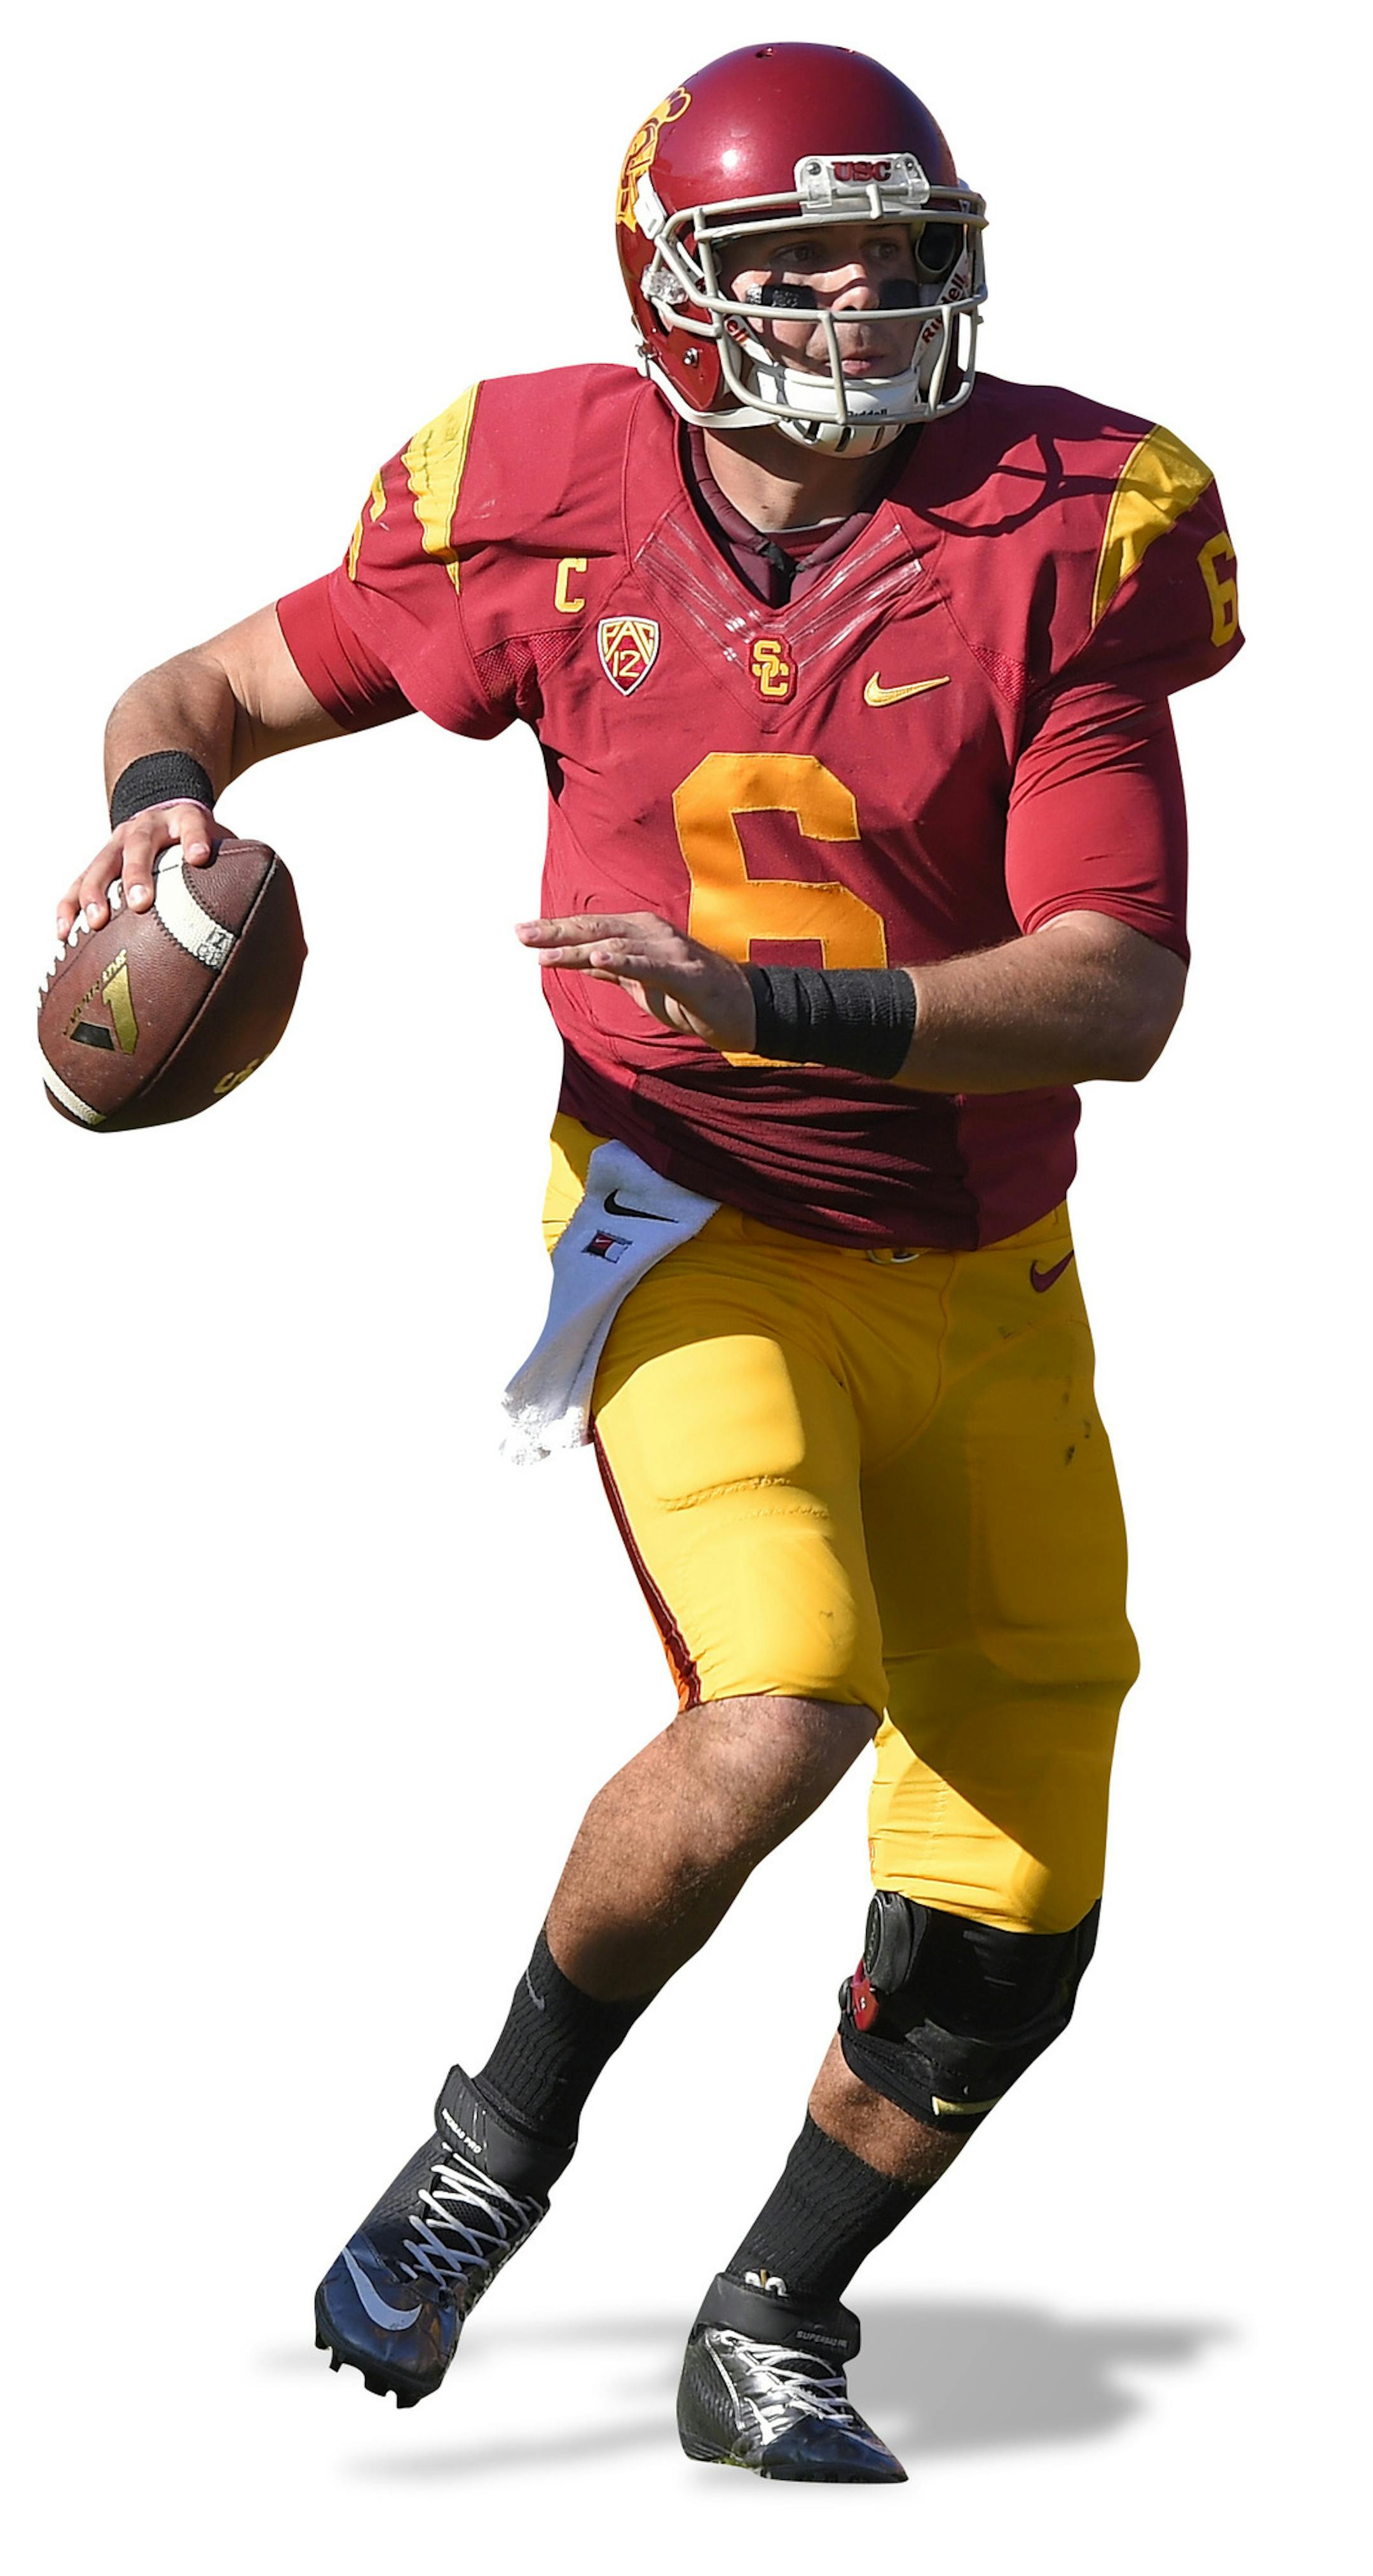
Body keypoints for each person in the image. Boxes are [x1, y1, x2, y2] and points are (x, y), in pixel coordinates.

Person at [62, 43, 1241, 2483]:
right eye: (802, 257)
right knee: (785, 1695)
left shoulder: (1071, 523)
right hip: (696, 1224)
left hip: (998, 1272)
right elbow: (184, 696)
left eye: (897, 251)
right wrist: (159, 816)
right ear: (673, 289)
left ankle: (772, 2319)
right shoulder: (549, 507)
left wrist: (781, 999)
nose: (865, 300)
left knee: (1025, 1891)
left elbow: (1119, 985)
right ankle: (497, 2140)